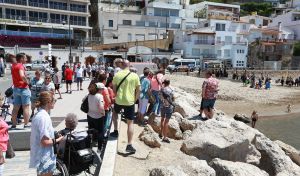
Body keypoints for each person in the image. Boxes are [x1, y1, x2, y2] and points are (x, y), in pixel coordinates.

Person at [29, 91, 63, 176]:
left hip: (39, 155)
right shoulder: (44, 117)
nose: (55, 102)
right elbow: (45, 142)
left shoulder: (38, 115)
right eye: (54, 100)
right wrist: (59, 139)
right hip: (44, 156)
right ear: (48, 102)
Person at [112, 60, 140, 153]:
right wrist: (135, 100)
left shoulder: (117, 75)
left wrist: (117, 96)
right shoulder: (135, 75)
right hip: (129, 101)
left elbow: (114, 89)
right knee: (130, 123)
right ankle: (129, 145)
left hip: (119, 100)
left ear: (121, 65)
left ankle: (115, 131)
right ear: (129, 65)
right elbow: (138, 90)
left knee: (115, 113)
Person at [11, 53, 31, 129]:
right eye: (25, 58)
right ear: (21, 58)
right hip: (23, 89)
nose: (26, 59)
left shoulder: (13, 66)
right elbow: (22, 75)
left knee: (15, 108)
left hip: (16, 89)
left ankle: (13, 124)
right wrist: (27, 82)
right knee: (25, 108)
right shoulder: (20, 66)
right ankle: (26, 124)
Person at [85, 83, 105, 152]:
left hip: (89, 115)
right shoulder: (99, 96)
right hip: (98, 116)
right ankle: (99, 148)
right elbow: (101, 107)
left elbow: (83, 100)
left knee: (91, 131)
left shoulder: (88, 95)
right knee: (100, 132)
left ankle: (90, 145)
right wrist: (103, 113)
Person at [159, 79, 174, 143]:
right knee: (166, 122)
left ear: (164, 83)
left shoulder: (161, 89)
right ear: (169, 83)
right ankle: (165, 137)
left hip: (162, 106)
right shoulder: (171, 89)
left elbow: (160, 97)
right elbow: (173, 98)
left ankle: (161, 133)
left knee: (162, 119)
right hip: (169, 107)